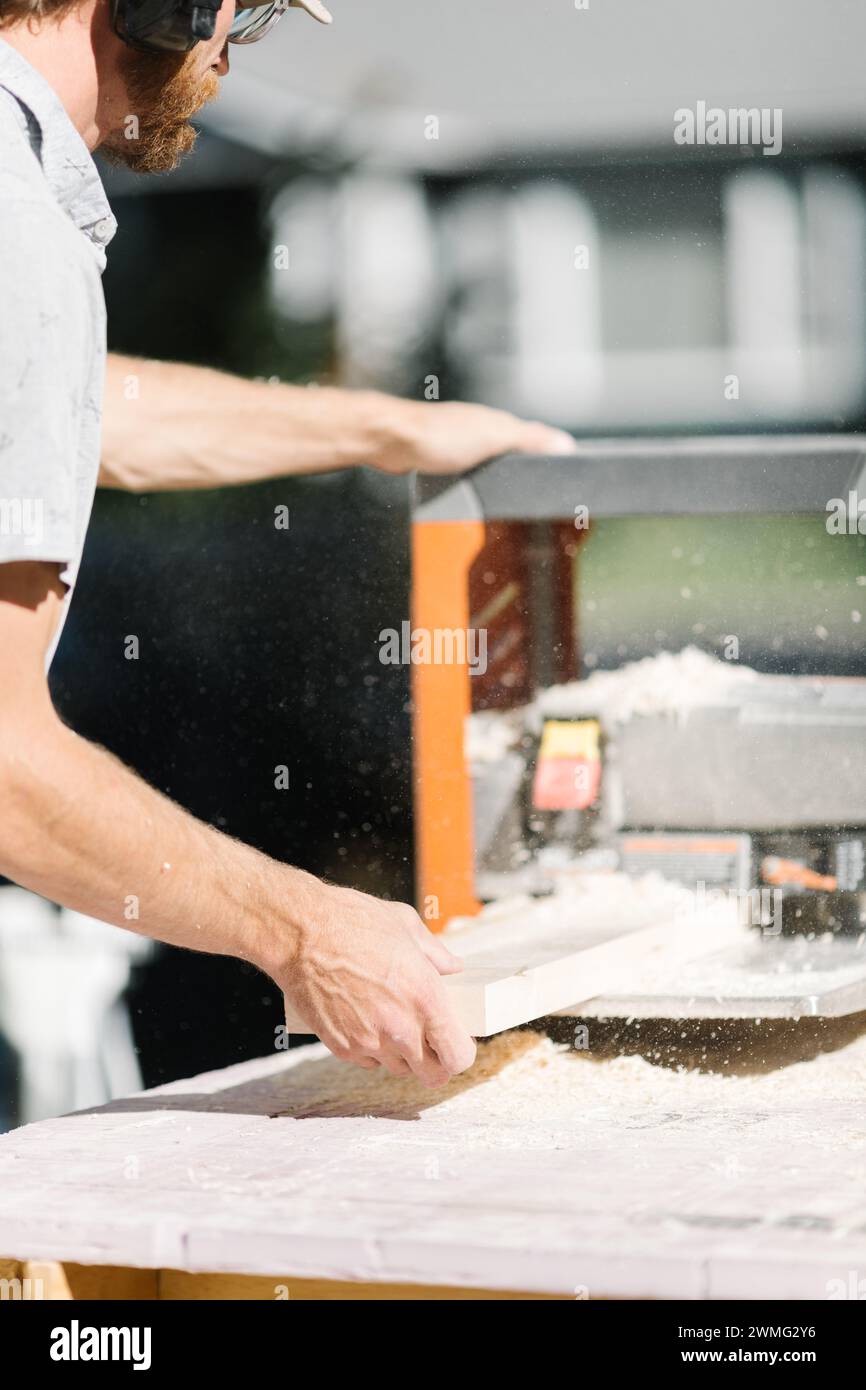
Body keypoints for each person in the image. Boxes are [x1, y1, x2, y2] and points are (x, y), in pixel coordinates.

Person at [0, 0, 575, 1088]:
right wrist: (299, 930)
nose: (232, 49)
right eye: (242, 8)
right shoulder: (14, 218)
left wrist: (386, 428)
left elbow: (70, 409)